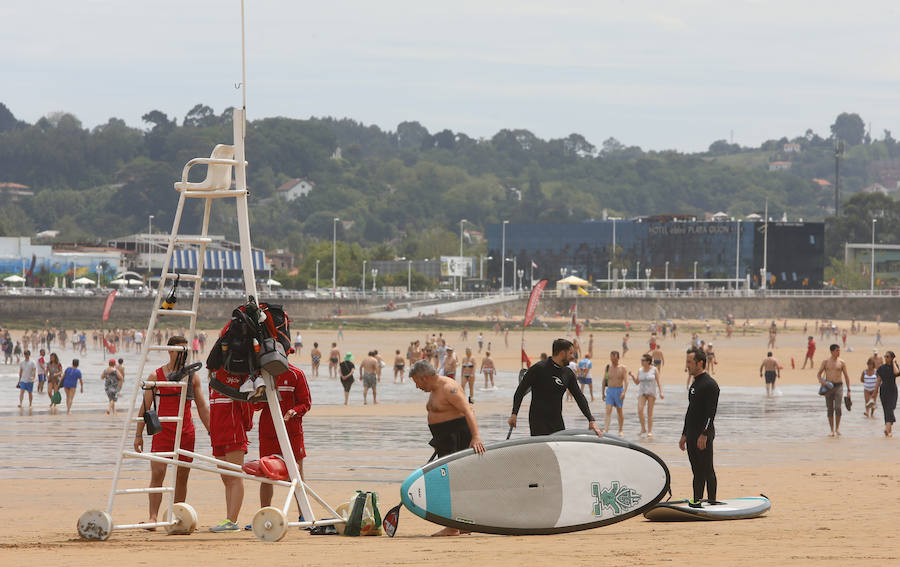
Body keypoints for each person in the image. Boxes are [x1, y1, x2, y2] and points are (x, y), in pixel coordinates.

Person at [134, 336, 210, 529]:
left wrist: (212, 431)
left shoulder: (192, 376)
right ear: (169, 351)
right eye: (179, 351)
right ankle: (153, 517)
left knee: (182, 475)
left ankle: (177, 515)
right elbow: (145, 407)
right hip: (162, 430)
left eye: (186, 351)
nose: (183, 355)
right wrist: (138, 434)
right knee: (158, 473)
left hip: (185, 431)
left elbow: (201, 405)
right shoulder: (155, 376)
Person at [409, 359, 485, 537]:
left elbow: (468, 410)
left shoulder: (448, 388)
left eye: (417, 382)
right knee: (453, 482)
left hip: (456, 437)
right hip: (446, 438)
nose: (417, 387)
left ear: (425, 377)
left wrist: (476, 437)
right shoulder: (435, 388)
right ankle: (462, 523)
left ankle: (453, 527)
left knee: (450, 483)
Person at [509, 338, 602, 437]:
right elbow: (520, 391)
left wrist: (591, 420)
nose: (573, 356)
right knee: (543, 450)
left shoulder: (568, 373)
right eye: (570, 353)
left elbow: (579, 397)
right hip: (538, 421)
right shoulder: (538, 369)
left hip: (557, 420)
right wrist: (514, 414)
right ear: (562, 353)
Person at [254, 363, 311, 515]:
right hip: (268, 432)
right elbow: (255, 405)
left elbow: (306, 403)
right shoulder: (261, 375)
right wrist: (257, 392)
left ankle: (303, 515)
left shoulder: (296, 374)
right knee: (265, 475)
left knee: (297, 474)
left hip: (292, 432)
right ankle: (264, 514)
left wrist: (294, 411)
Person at [208, 366, 254, 533]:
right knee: (226, 478)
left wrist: (247, 424)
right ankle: (229, 518)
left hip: (234, 432)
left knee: (235, 476)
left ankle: (232, 520)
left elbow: (247, 402)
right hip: (217, 434)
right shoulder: (213, 377)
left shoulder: (238, 373)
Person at [679, 346, 720, 508]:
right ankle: (697, 501)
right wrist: (684, 434)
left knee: (707, 469)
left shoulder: (710, 385)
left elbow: (712, 414)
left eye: (689, 362)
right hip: (691, 433)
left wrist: (704, 434)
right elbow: (691, 411)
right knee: (696, 470)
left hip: (703, 433)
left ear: (700, 363)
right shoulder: (695, 385)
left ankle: (711, 501)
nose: (687, 365)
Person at [817, 344, 851, 437]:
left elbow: (846, 377)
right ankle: (831, 430)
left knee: (838, 407)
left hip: (838, 386)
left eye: (839, 350)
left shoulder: (842, 362)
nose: (838, 352)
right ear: (832, 351)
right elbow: (819, 374)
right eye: (837, 350)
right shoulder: (825, 362)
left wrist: (849, 390)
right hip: (828, 387)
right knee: (830, 408)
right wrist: (822, 382)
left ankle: (837, 428)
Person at [632, 354, 664, 437]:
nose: (641, 362)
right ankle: (643, 428)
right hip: (642, 393)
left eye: (643, 360)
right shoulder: (640, 370)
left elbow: (659, 381)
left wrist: (661, 392)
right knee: (640, 410)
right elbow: (637, 382)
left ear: (648, 361)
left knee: (649, 413)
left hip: (651, 393)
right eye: (641, 360)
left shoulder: (654, 370)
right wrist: (632, 376)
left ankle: (649, 431)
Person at [602, 351, 629, 436]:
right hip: (610, 390)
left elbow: (626, 381)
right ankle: (606, 430)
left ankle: (620, 430)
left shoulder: (623, 368)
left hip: (619, 391)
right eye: (611, 358)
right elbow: (604, 380)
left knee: (619, 411)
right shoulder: (607, 367)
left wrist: (624, 392)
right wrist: (602, 393)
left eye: (614, 358)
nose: (613, 360)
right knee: (608, 410)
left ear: (618, 358)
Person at [875, 351, 898, 437]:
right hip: (883, 390)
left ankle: (887, 428)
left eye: (888, 357)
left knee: (891, 408)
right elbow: (878, 380)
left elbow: (896, 373)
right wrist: (875, 392)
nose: (886, 358)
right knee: (886, 409)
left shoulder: (894, 367)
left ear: (892, 358)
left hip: (892, 390)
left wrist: (894, 362)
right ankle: (889, 430)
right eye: (885, 356)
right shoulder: (881, 368)